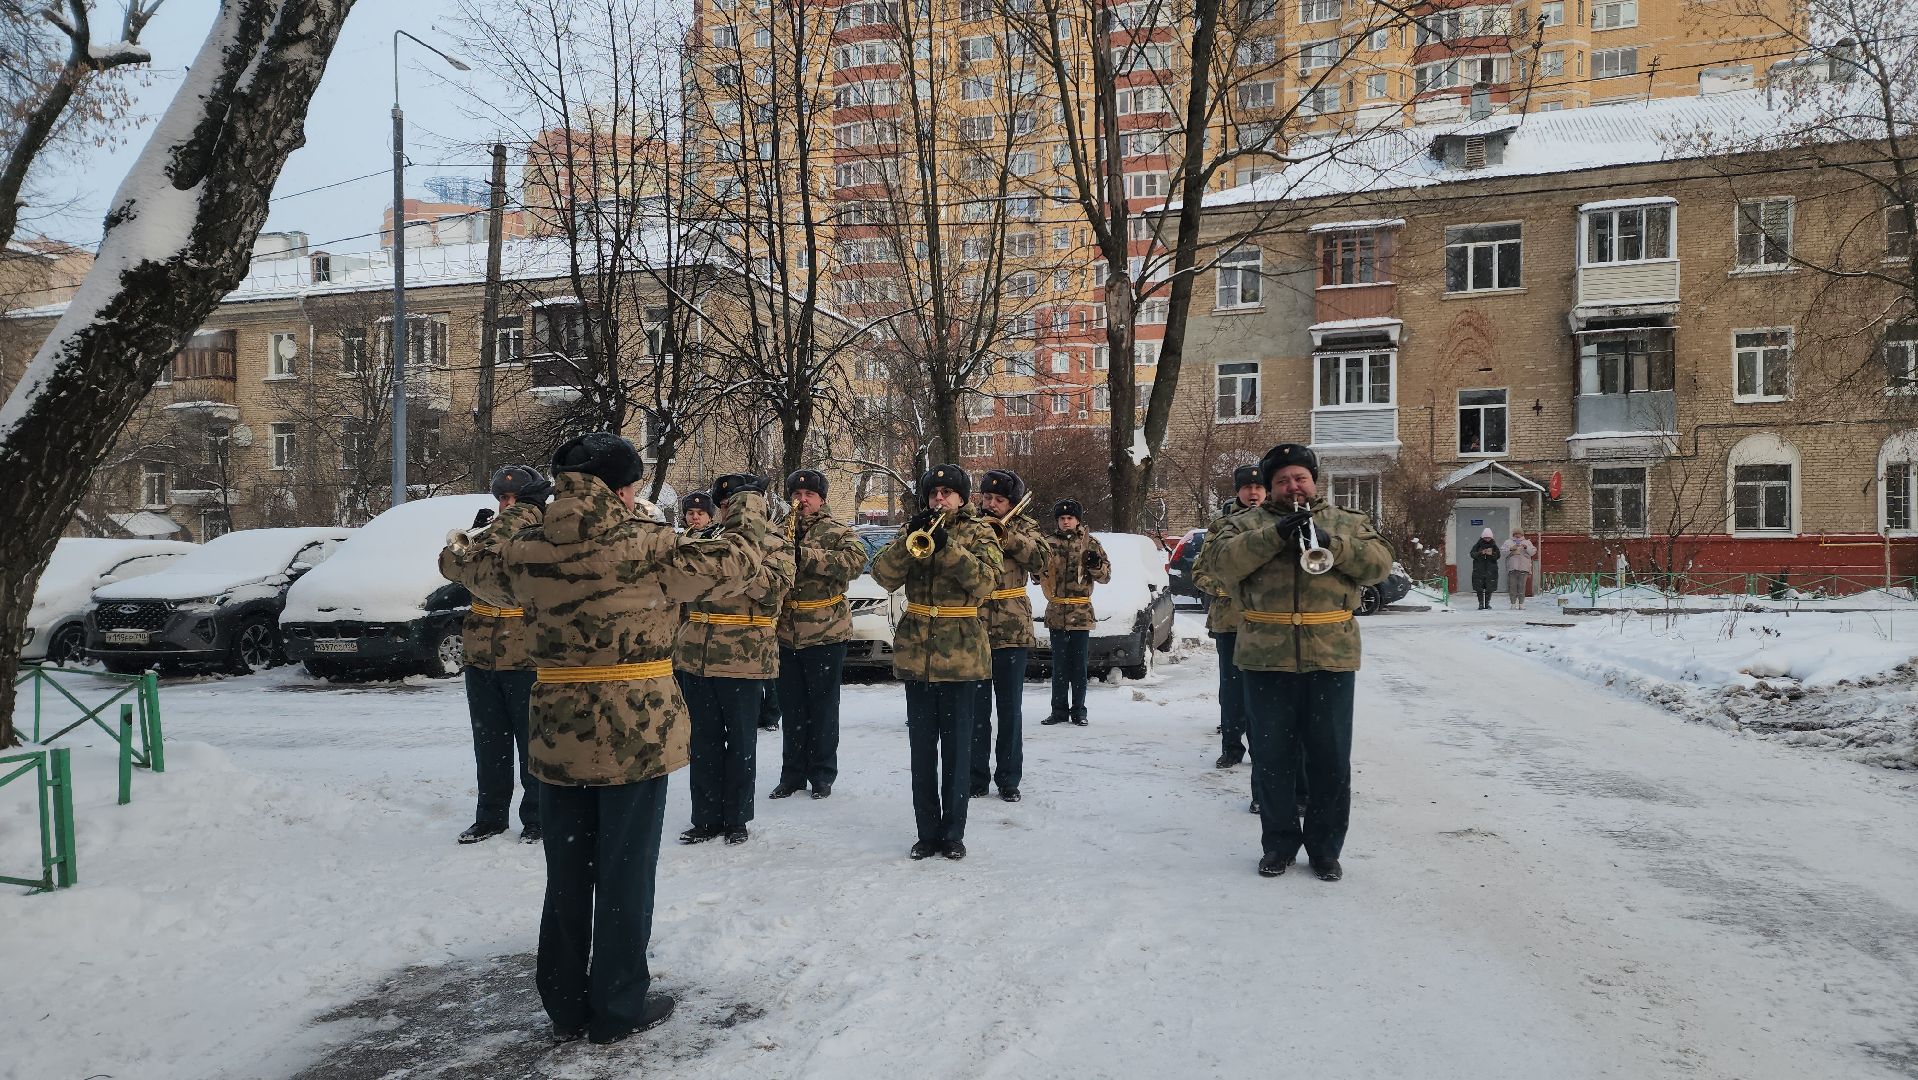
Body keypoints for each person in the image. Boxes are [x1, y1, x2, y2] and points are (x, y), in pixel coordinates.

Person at [472, 432, 766, 1044]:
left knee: (567, 870)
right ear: (625, 488)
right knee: (625, 871)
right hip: (636, 732)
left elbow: (463, 565)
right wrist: (746, 505)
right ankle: (617, 1002)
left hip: (556, 727)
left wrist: (521, 515)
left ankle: (563, 1000)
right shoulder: (652, 545)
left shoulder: (527, 550)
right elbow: (740, 562)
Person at [1204, 443, 1394, 882]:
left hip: (1331, 656)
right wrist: (1273, 536)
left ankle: (1326, 851)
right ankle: (1279, 845)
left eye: (1300, 478)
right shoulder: (1243, 524)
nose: (1294, 487)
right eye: (1283, 481)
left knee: (1330, 759)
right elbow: (1219, 564)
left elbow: (1379, 565)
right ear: (1270, 488)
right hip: (1265, 658)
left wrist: (1335, 544)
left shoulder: (1347, 521)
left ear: (1314, 480)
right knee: (1273, 758)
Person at [870, 464, 1001, 860]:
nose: (939, 498)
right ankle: (926, 831)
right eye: (933, 492)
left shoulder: (981, 532)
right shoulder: (913, 531)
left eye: (947, 492)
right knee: (922, 750)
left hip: (961, 654)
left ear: (963, 498)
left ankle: (953, 832)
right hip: (918, 653)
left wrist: (948, 548)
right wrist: (907, 539)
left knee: (958, 750)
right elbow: (882, 576)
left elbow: (985, 583)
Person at [675, 477, 794, 846]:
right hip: (697, 654)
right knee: (703, 740)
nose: (729, 510)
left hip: (744, 657)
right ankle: (705, 817)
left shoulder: (775, 543)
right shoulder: (702, 541)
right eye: (724, 504)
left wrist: (743, 560)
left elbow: (774, 591)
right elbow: (682, 586)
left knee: (741, 741)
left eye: (736, 504)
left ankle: (737, 817)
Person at [438, 464, 552, 845]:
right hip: (481, 654)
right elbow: (449, 568)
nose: (507, 505)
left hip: (525, 655)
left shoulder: (542, 536)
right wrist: (477, 535)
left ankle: (537, 816)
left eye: (514, 498)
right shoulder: (486, 534)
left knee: (533, 742)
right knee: (489, 743)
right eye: (502, 499)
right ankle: (490, 817)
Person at [771, 468, 868, 800]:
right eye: (796, 495)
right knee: (792, 707)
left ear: (821, 499)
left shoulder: (838, 531)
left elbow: (854, 562)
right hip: (786, 632)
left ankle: (823, 774)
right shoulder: (779, 530)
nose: (801, 500)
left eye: (808, 495)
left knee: (823, 708)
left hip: (826, 630)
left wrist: (805, 555)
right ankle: (792, 774)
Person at [970, 468, 1046, 803]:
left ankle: (1009, 778)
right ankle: (975, 776)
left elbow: (1043, 559)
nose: (991, 504)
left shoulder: (1026, 527)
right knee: (976, 709)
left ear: (1011, 502)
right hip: (973, 626)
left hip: (1012, 628)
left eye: (999, 500)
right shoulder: (969, 524)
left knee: (1009, 709)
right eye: (987, 498)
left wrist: (1008, 536)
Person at [1040, 499, 1109, 727]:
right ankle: (1058, 710)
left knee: (1079, 666)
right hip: (1057, 610)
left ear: (1078, 520)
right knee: (1059, 665)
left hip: (1080, 612)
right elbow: (1038, 574)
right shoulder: (1048, 543)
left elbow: (1106, 576)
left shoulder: (1090, 543)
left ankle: (1079, 710)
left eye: (1069, 518)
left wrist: (1095, 564)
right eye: (1062, 518)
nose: (1066, 522)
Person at [1469, 527, 1502, 610]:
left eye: (1489, 537)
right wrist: (1481, 553)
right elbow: (1472, 554)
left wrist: (1492, 554)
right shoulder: (1478, 545)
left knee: (1489, 588)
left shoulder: (1494, 545)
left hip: (1491, 570)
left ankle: (1487, 604)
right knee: (1479, 588)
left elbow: (1498, 555)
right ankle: (1480, 604)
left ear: (1491, 537)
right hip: (1479, 570)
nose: (1487, 539)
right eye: (1486, 537)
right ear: (1482, 537)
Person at [1504, 530, 1537, 609]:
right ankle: (1513, 603)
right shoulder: (1508, 542)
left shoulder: (1527, 542)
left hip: (1523, 568)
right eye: (1515, 534)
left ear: (1522, 534)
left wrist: (1526, 547)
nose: (1517, 535)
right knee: (1512, 586)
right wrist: (1511, 549)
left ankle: (1521, 604)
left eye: (1519, 534)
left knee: (1522, 586)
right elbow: (1503, 552)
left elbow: (1533, 552)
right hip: (1512, 568)